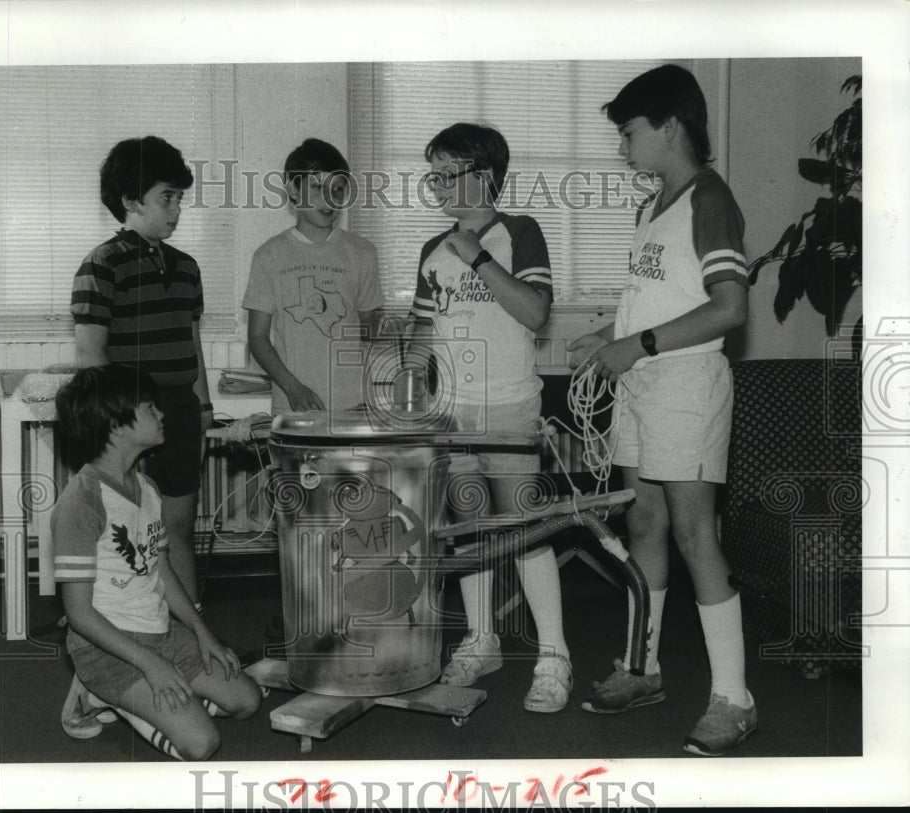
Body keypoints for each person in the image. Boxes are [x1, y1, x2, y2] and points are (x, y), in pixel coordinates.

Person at [567, 64, 755, 756]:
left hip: (686, 383)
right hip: (644, 381)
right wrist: (612, 340)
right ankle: (641, 668)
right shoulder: (656, 206)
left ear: (671, 127)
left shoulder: (711, 197)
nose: (624, 147)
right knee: (642, 518)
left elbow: (730, 307)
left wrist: (638, 343)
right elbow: (663, 298)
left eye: (630, 132)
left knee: (692, 530)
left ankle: (734, 697)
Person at [407, 122, 571, 713]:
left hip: (509, 405)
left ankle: (554, 655)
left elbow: (532, 310)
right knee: (470, 527)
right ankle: (482, 640)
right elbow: (422, 336)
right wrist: (412, 396)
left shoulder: (521, 234)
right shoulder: (431, 250)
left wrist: (475, 255)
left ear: (485, 175)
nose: (439, 186)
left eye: (448, 174)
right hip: (450, 413)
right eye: (435, 176)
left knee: (525, 530)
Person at [52, 364, 261, 760]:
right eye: (149, 408)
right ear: (116, 427)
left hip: (160, 633)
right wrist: (152, 665)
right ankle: (96, 691)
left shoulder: (147, 487)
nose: (161, 414)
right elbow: (78, 615)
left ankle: (166, 699)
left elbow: (162, 570)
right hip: (107, 651)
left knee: (246, 701)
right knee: (201, 744)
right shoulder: (80, 502)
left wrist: (203, 634)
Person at [71, 135, 212, 607]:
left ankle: (192, 637)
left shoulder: (187, 267)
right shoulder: (102, 264)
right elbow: (92, 356)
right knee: (135, 536)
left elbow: (192, 344)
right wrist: (123, 424)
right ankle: (136, 634)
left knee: (178, 526)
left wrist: (203, 404)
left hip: (181, 411)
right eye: (165, 198)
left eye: (180, 199)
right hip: (132, 417)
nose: (176, 210)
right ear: (131, 201)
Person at [243, 138, 383, 415]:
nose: (329, 200)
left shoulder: (363, 252)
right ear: (294, 189)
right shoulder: (268, 255)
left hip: (353, 404)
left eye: (338, 189)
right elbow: (257, 338)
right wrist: (293, 388)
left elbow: (369, 328)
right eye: (318, 188)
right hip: (294, 403)